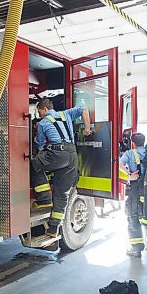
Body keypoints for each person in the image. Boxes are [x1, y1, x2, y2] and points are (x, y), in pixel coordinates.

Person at [30, 99, 91, 237]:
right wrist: (87, 129)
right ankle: (53, 229)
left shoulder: (43, 123)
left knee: (33, 164)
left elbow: (39, 145)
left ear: (44, 109)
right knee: (62, 194)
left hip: (57, 154)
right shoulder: (66, 114)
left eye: (39, 111)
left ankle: (44, 199)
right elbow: (84, 109)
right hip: (72, 155)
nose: (39, 114)